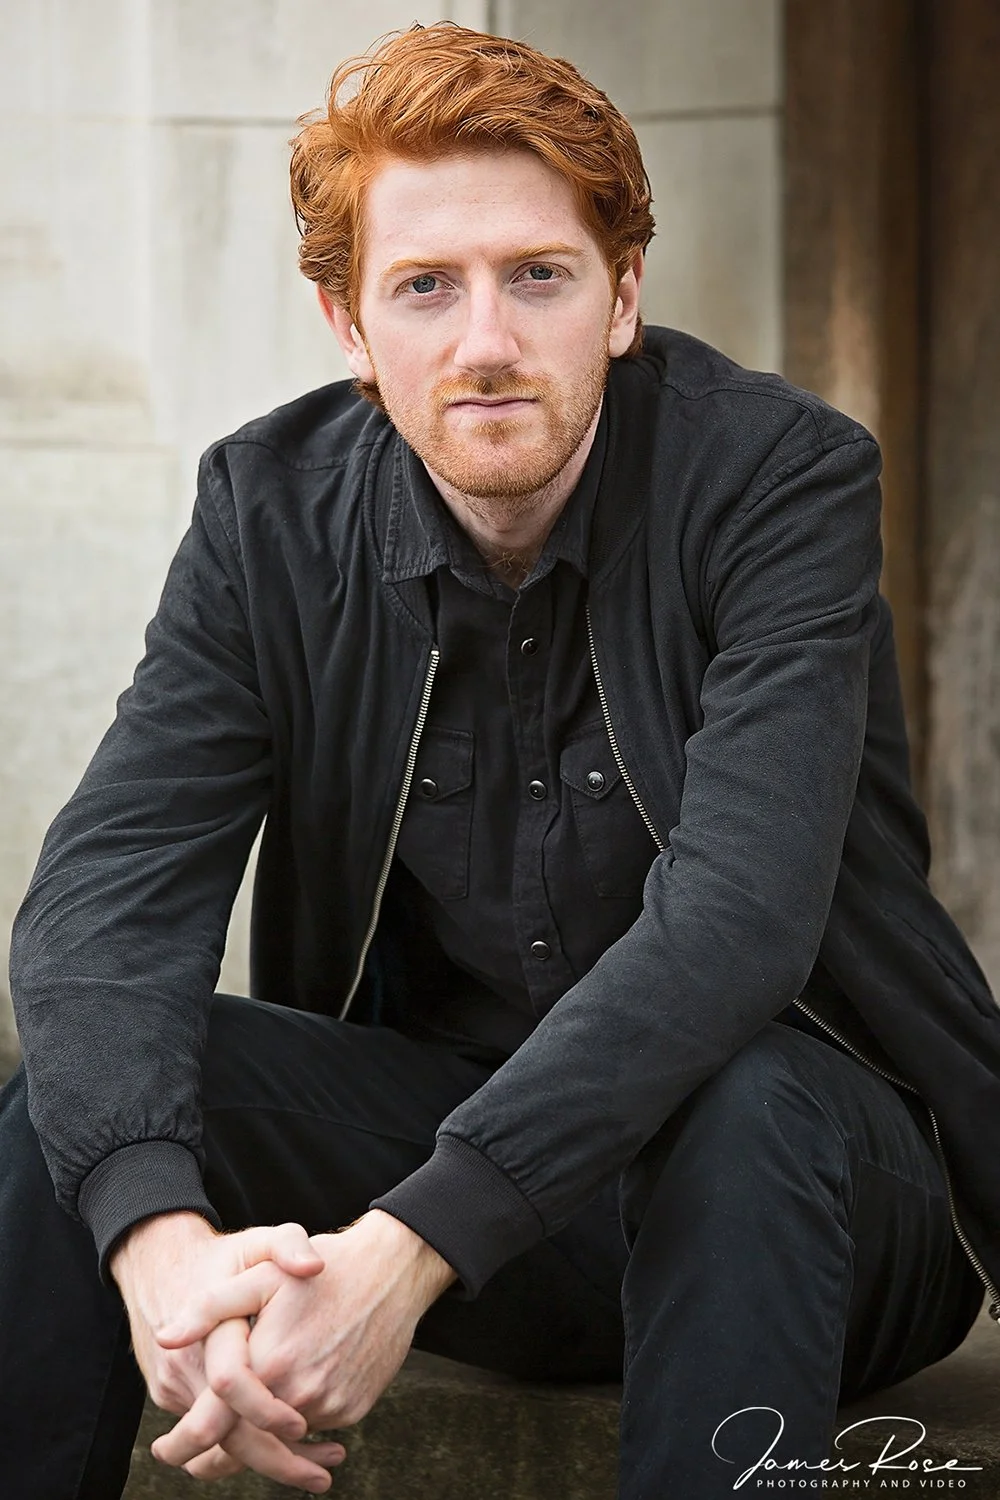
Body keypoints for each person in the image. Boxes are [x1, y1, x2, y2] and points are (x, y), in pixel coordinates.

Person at [2, 21, 999, 1499]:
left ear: (621, 297)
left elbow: (738, 923)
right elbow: (104, 910)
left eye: (538, 275)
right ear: (347, 325)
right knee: (74, 1109)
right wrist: (161, 1250)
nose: (484, 342)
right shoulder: (264, 517)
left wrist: (402, 1256)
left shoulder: (779, 480)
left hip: (821, 1202)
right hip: (475, 1193)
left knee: (745, 1099)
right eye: (424, 288)